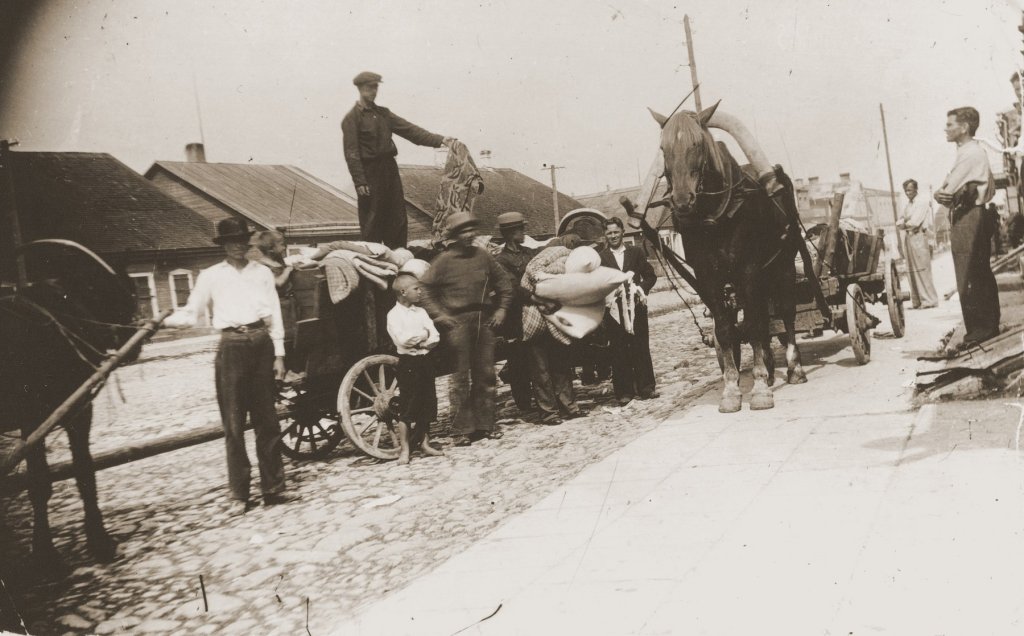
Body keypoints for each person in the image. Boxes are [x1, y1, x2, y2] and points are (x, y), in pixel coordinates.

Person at [164, 218, 295, 514]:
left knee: (268, 422)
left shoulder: (261, 273)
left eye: (241, 241)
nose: (237, 246)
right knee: (234, 426)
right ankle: (239, 494)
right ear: (223, 245)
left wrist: (279, 355)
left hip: (261, 343)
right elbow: (191, 313)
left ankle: (274, 489)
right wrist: (159, 322)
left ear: (248, 244)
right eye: (230, 241)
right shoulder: (210, 276)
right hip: (231, 347)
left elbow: (274, 314)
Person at [419, 212, 513, 446]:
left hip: (484, 319)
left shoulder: (483, 256)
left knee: (486, 375)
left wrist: (501, 310)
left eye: (472, 230)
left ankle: (486, 425)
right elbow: (425, 290)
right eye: (463, 231)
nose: (469, 235)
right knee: (460, 377)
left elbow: (504, 284)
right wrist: (440, 315)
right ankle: (461, 430)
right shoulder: (442, 261)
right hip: (457, 323)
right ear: (454, 235)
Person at [341, 71, 454, 248]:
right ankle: (375, 260)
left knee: (397, 218)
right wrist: (359, 181)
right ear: (361, 89)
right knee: (373, 220)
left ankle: (399, 257)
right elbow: (351, 153)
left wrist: (440, 140)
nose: (374, 91)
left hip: (389, 170)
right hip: (369, 174)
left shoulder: (384, 114)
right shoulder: (351, 119)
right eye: (370, 87)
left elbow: (410, 130)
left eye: (376, 87)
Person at [493, 212, 583, 425]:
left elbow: (547, 265)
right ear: (509, 233)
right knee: (539, 367)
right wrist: (536, 297)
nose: (524, 232)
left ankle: (569, 406)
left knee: (561, 361)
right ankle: (549, 412)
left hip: (549, 311)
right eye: (520, 230)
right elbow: (512, 288)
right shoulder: (500, 261)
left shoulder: (530, 253)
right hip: (527, 317)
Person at [934, 106, 1000, 350]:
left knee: (970, 274)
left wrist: (941, 193)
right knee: (978, 272)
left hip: (968, 216)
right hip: (970, 214)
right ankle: (985, 326)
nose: (946, 128)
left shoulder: (970, 154)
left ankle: (981, 329)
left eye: (950, 125)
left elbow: (945, 191)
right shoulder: (970, 151)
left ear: (964, 127)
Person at [598, 217, 658, 406]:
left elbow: (650, 275)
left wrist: (639, 289)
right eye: (609, 233)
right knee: (618, 349)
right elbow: (597, 283)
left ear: (623, 232)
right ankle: (624, 392)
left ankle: (646, 387)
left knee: (640, 345)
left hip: (636, 308)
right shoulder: (601, 257)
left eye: (616, 232)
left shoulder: (635, 252)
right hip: (614, 311)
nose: (613, 236)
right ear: (605, 235)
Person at [387, 273, 444, 464]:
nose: (420, 292)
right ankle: (405, 449)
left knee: (427, 402)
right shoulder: (393, 315)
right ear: (403, 292)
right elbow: (403, 340)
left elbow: (435, 336)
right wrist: (423, 335)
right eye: (416, 289)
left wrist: (422, 339)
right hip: (409, 364)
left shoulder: (421, 312)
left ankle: (425, 443)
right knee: (408, 407)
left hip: (425, 361)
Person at [895, 179, 938, 309]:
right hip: (909, 238)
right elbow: (899, 220)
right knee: (911, 270)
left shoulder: (922, 202)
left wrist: (904, 223)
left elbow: (915, 222)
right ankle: (917, 301)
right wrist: (904, 222)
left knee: (922, 268)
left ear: (915, 189)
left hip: (919, 236)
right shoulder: (908, 205)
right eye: (906, 191)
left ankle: (929, 300)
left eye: (910, 190)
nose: (908, 193)